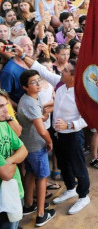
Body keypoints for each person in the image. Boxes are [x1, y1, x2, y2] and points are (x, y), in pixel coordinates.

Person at [16, 54, 91, 215]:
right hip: (58, 134)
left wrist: (70, 124)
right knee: (64, 164)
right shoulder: (60, 83)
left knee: (78, 166)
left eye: (65, 71)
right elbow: (41, 70)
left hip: (73, 135)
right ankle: (71, 188)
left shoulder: (82, 93)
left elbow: (89, 118)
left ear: (74, 75)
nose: (61, 71)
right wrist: (22, 55)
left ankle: (84, 195)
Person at [17, 70, 55, 224]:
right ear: (25, 87)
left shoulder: (32, 98)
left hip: (28, 145)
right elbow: (41, 129)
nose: (38, 83)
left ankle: (28, 204)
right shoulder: (30, 102)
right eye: (33, 82)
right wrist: (49, 140)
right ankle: (41, 214)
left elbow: (38, 117)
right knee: (42, 177)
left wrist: (46, 112)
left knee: (31, 174)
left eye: (39, 80)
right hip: (36, 146)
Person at [0, 92, 28, 229]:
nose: (6, 109)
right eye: (0, 106)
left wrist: (10, 160)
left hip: (15, 190)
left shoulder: (4, 124)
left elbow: (24, 150)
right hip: (2, 199)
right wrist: (17, 157)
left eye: (6, 105)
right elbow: (6, 174)